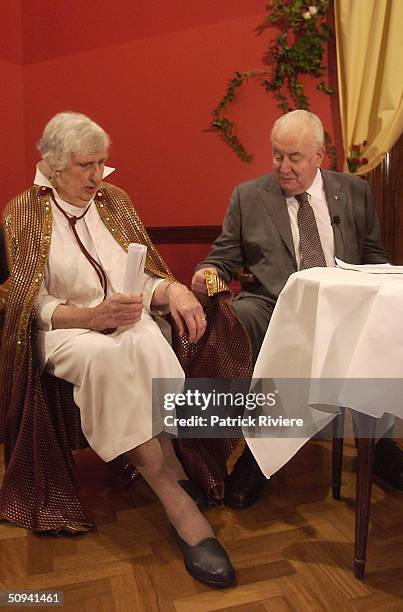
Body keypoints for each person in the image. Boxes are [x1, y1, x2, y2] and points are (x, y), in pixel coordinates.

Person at [0, 112, 234, 588]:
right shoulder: (22, 213)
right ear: (53, 165)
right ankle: (174, 497)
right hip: (62, 333)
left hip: (119, 319)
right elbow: (27, 301)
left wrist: (174, 291)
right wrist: (88, 317)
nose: (97, 177)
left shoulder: (114, 202)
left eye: (101, 163)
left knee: (149, 341)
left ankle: (165, 460)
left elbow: (144, 277)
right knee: (105, 357)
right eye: (86, 165)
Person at [192, 109, 403, 508]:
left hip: (345, 308)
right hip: (277, 307)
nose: (283, 168)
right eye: (276, 156)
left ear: (320, 155)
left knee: (386, 322)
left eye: (295, 157)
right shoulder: (248, 196)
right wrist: (206, 273)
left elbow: (375, 258)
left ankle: (379, 447)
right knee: (248, 321)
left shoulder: (354, 192)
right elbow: (221, 258)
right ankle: (257, 457)